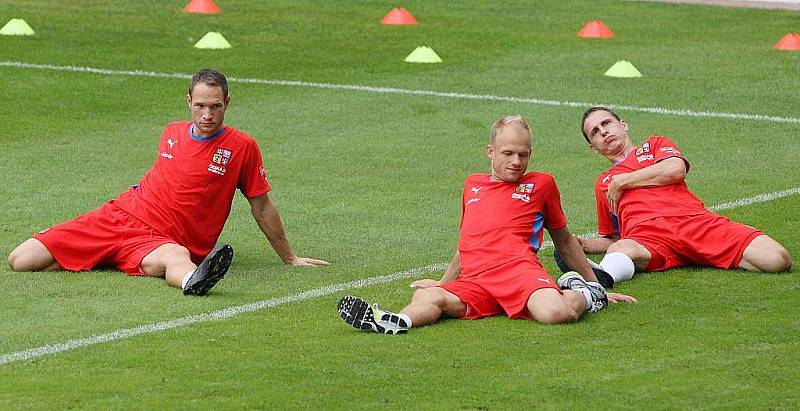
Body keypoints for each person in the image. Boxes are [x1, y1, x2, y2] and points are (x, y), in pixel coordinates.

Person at [7, 68, 328, 295]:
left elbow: (262, 205)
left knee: (177, 260)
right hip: (120, 217)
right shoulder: (172, 131)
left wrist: (289, 256)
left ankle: (194, 282)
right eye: (200, 105)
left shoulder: (242, 147)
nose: (207, 115)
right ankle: (110, 257)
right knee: (21, 260)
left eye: (215, 107)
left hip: (168, 241)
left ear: (227, 104)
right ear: (188, 100)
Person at [337, 115, 637, 334]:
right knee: (429, 296)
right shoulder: (472, 185)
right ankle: (396, 321)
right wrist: (444, 282)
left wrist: (595, 284)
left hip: (519, 273)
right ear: (490, 152)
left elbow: (564, 240)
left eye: (524, 154)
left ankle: (584, 295)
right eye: (508, 153)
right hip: (476, 279)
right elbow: (466, 242)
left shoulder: (542, 184)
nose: (517, 161)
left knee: (556, 312)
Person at [555, 106, 791, 288]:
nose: (603, 131)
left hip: (695, 223)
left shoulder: (655, 145)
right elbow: (615, 237)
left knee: (777, 259)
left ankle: (701, 253)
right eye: (595, 132)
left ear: (623, 125)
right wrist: (584, 245)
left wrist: (625, 181)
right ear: (594, 148)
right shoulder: (603, 184)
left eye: (606, 123)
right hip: (649, 239)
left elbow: (676, 169)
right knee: (624, 248)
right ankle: (598, 282)